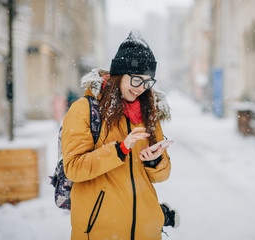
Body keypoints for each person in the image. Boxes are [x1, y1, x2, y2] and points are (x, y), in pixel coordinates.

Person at [61, 30, 177, 240]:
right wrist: (119, 150)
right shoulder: (84, 110)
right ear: (118, 75)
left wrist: (155, 161)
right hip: (99, 231)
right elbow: (73, 169)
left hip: (147, 232)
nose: (141, 88)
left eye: (147, 81)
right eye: (135, 79)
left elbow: (162, 175)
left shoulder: (148, 114)